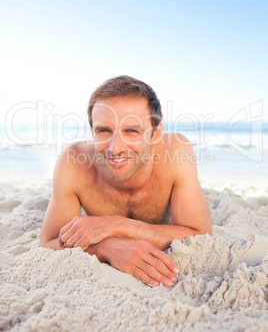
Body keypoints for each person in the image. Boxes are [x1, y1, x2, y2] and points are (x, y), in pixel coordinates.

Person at [40, 75, 211, 288]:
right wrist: (105, 247)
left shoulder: (177, 152)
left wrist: (115, 224)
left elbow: (201, 235)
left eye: (131, 131)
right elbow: (48, 244)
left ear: (155, 133)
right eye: (104, 131)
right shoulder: (73, 161)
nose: (115, 148)